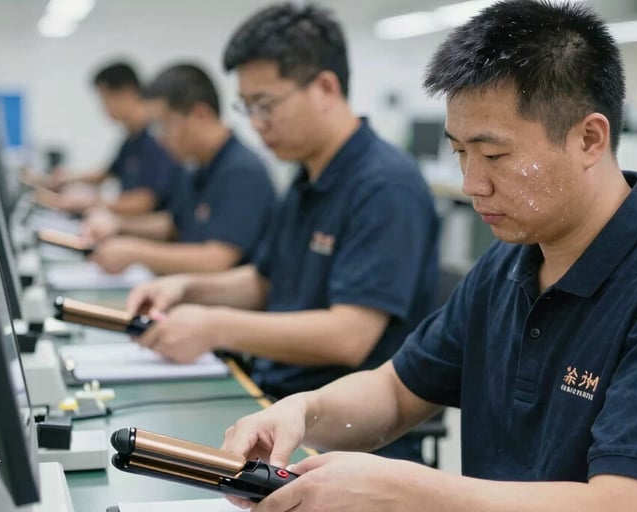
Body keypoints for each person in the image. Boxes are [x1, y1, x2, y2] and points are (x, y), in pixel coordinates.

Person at [219, 1, 637, 511]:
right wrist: (302, 411)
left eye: (494, 155)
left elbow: (624, 504)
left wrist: (404, 490)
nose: (471, 183)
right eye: (460, 152)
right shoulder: (508, 264)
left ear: (590, 140)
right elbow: (396, 391)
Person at [125, 4, 439, 463]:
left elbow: (348, 335)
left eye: (266, 105)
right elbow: (264, 281)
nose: (256, 123)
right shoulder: (306, 177)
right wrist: (186, 288)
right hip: (275, 406)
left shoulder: (385, 186)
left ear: (325, 88)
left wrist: (215, 326)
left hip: (344, 443)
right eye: (247, 106)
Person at [83, 63, 276, 275]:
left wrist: (135, 252)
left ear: (200, 114)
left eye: (165, 126)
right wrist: (118, 226)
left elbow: (216, 259)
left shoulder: (241, 171)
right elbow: (174, 224)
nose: (160, 139)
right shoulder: (196, 166)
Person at [33, 61, 182, 216]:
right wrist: (66, 178)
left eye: (105, 99)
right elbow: (108, 173)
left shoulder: (157, 137)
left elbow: (145, 201)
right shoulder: (133, 138)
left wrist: (89, 204)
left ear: (127, 93)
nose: (103, 108)